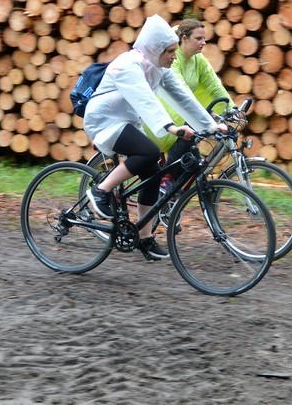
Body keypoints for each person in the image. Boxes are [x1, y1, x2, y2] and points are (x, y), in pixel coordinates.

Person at [83, 14, 225, 261]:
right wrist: (170, 127)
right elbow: (144, 99)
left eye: (174, 51)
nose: (174, 56)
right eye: (169, 51)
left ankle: (145, 238)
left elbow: (184, 97)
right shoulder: (128, 64)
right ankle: (101, 191)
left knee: (153, 173)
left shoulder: (160, 67)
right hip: (104, 121)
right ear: (155, 49)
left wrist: (211, 126)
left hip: (126, 122)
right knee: (148, 152)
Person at [146, 18, 234, 156]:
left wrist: (232, 109)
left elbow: (214, 85)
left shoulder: (198, 59)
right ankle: (168, 173)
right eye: (198, 38)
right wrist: (206, 117)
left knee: (193, 162)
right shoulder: (172, 58)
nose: (203, 42)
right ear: (184, 38)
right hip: (161, 119)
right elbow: (180, 90)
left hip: (184, 117)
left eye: (204, 38)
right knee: (185, 157)